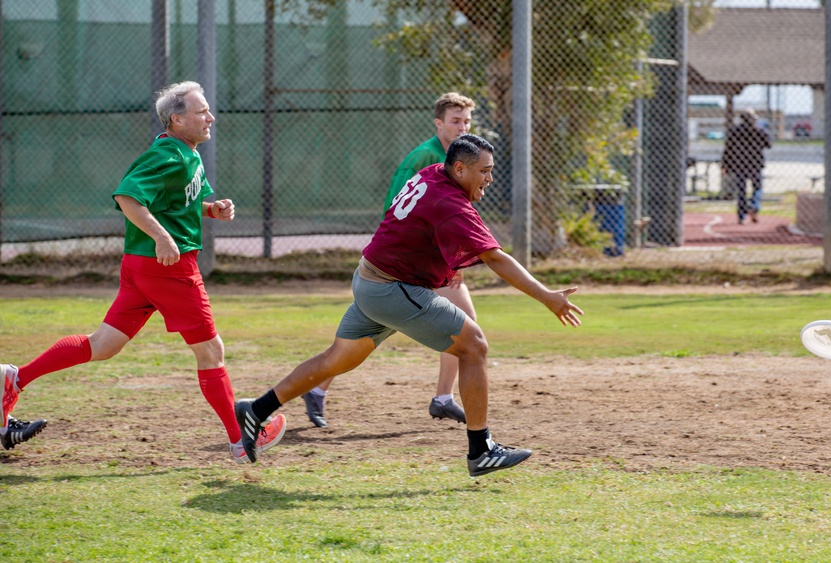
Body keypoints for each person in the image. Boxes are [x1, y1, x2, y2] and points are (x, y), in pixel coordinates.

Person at [235, 134, 583, 476]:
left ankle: (256, 409)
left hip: (371, 279)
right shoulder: (450, 203)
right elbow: (495, 258)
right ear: (459, 169)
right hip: (391, 288)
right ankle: (481, 450)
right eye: (484, 171)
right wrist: (548, 297)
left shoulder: (434, 171)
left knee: (336, 359)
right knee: (474, 346)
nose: (490, 179)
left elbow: (417, 228)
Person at [0, 81, 285, 464]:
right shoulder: (167, 153)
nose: (210, 117)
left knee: (103, 345)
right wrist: (163, 238)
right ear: (177, 119)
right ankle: (242, 440)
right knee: (211, 351)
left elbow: (176, 200)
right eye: (202, 112)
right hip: (168, 267)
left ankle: (14, 378)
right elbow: (127, 196)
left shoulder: (187, 153)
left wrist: (211, 208)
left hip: (143, 267)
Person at [301, 92, 478, 427]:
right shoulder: (425, 156)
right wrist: (445, 261)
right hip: (405, 263)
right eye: (455, 121)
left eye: (467, 121)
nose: (462, 127)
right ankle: (317, 387)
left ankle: (443, 398)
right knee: (373, 333)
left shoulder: (462, 158)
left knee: (461, 324)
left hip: (432, 263)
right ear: (438, 123)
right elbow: (398, 210)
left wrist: (451, 261)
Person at [720, 109, 771, 224]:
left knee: (741, 190)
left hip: (739, 164)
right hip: (755, 164)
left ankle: (742, 216)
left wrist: (725, 165)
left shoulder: (734, 131)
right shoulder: (759, 130)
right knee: (757, 187)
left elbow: (728, 149)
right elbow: (768, 144)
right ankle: (754, 206)